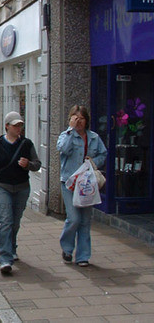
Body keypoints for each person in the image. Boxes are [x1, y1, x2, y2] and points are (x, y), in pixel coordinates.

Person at [0, 111, 41, 274]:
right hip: (1, 186)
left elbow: (37, 164)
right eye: (15, 125)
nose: (19, 128)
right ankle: (5, 259)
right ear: (7, 126)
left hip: (21, 187)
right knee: (6, 221)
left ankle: (11, 247)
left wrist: (28, 165)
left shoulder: (27, 144)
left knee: (15, 221)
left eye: (20, 125)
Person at [57, 105, 107, 267]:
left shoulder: (93, 138)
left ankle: (83, 256)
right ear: (70, 118)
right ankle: (67, 249)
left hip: (86, 183)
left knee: (85, 220)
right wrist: (71, 130)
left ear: (87, 121)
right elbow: (63, 149)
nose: (79, 122)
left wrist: (93, 162)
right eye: (75, 118)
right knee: (74, 218)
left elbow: (103, 154)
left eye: (82, 119)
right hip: (69, 183)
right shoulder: (65, 136)